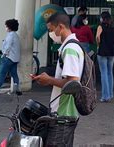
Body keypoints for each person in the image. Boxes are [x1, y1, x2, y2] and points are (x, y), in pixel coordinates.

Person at [31, 12, 83, 147]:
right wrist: (46, 79)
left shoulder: (70, 49)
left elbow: (73, 83)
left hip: (63, 114)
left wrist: (49, 80)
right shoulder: (70, 46)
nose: (50, 33)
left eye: (51, 30)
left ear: (60, 27)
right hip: (63, 114)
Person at [95, 11, 114, 102]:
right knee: (110, 72)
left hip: (102, 51)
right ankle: (110, 94)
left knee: (104, 73)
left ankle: (105, 96)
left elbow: (97, 37)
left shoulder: (100, 26)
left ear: (102, 18)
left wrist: (99, 43)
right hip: (112, 52)